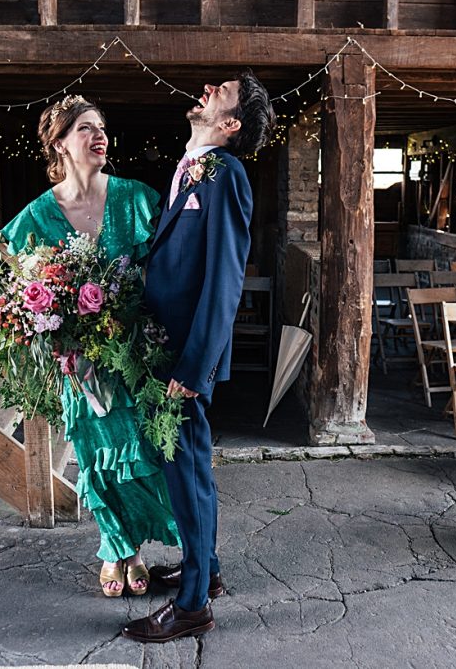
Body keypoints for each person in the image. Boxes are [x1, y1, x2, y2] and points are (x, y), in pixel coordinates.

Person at [0, 95, 181, 599]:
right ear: (59, 142)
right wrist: (48, 329)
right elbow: (19, 282)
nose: (99, 135)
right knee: (96, 456)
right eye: (85, 128)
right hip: (79, 368)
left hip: (132, 357)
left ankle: (134, 550)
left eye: (102, 127)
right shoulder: (36, 216)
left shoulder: (136, 198)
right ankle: (116, 549)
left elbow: (164, 274)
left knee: (136, 455)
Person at [122, 71, 275, 643]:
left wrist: (194, 366)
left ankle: (191, 608)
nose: (209, 89)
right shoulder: (191, 167)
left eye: (222, 92)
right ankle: (203, 571)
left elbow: (225, 280)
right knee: (192, 467)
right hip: (166, 346)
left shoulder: (226, 175)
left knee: (184, 473)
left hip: (183, 356)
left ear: (230, 124)